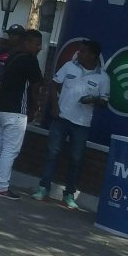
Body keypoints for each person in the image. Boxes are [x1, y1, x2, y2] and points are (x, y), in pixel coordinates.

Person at [33, 39, 109, 209]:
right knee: (52, 154)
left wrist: (93, 99)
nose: (79, 54)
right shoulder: (69, 66)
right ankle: (43, 188)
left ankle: (68, 194)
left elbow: (105, 102)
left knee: (76, 159)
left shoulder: (103, 78)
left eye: (83, 51)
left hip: (82, 124)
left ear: (93, 55)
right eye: (79, 50)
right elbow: (53, 85)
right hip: (61, 118)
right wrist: (54, 107)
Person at [0, 29, 44, 200]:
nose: (39, 48)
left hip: (1, 108)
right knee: (10, 150)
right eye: (37, 44)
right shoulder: (30, 60)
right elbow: (35, 86)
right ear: (27, 43)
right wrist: (35, 106)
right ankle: (1, 186)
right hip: (16, 111)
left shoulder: (11, 57)